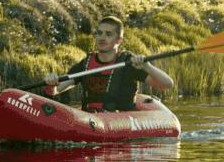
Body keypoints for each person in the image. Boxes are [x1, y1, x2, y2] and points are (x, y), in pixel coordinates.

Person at [44, 16, 175, 112]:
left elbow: (167, 85)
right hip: (91, 119)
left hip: (121, 120)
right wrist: (50, 84)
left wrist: (147, 66)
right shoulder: (86, 63)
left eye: (108, 34)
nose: (102, 38)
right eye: (99, 33)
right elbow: (56, 90)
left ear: (119, 40)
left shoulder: (128, 63)